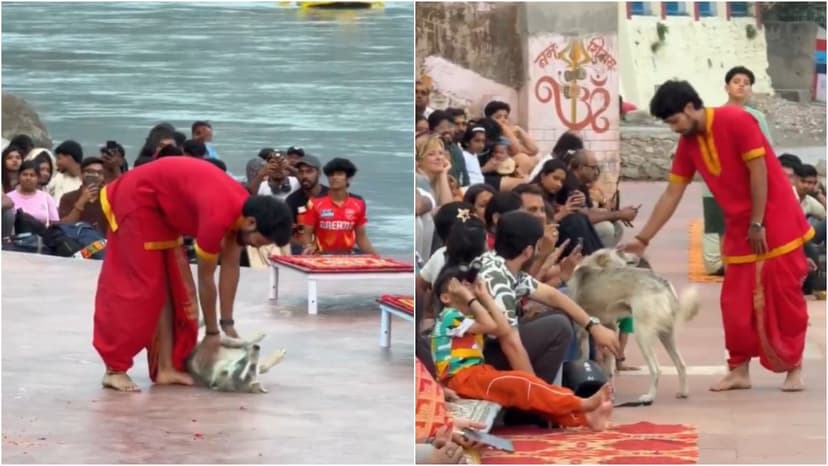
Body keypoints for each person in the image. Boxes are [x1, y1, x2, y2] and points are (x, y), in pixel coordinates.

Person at [623, 79, 813, 392]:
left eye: (674, 121)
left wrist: (758, 223)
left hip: (775, 219)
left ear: (689, 107)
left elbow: (759, 172)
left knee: (784, 299)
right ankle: (739, 370)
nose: (673, 128)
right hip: (739, 225)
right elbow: (672, 192)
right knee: (735, 305)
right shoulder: (688, 144)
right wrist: (643, 239)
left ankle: (794, 368)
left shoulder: (737, 120)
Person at [93, 157, 293, 392]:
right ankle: (114, 370)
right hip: (137, 199)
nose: (257, 247)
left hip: (163, 208)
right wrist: (212, 333)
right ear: (251, 223)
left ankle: (165, 368)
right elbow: (206, 280)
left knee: (172, 287)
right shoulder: (217, 217)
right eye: (260, 241)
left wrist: (227, 324)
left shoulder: (243, 211)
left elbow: (230, 268)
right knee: (142, 290)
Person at [431, 265, 613, 431]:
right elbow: (491, 325)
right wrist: (471, 298)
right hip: (460, 378)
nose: (466, 288)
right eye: (460, 286)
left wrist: (484, 295)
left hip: (474, 375)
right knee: (522, 383)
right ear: (446, 297)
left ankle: (585, 417)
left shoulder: (469, 317)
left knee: (530, 390)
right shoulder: (449, 316)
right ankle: (581, 404)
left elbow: (502, 328)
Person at [301, 157, 376, 255]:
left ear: (348, 178)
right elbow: (306, 234)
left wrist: (378, 258)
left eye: (339, 174)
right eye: (331, 174)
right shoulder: (314, 202)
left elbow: (361, 238)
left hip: (347, 255)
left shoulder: (358, 203)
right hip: (321, 255)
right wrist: (308, 247)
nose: (334, 177)